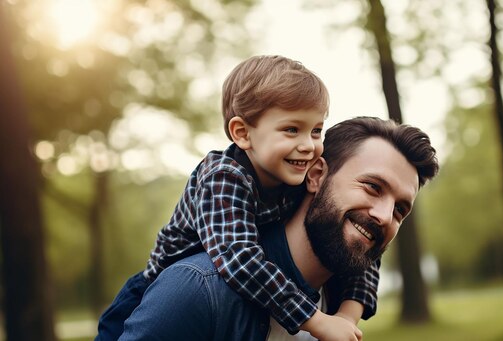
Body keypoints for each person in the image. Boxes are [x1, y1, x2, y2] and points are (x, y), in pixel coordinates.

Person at [97, 56, 379, 340]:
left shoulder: (297, 171)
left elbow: (358, 243)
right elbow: (238, 259)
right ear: (242, 134)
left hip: (230, 299)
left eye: (316, 130)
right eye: (292, 130)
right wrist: (315, 319)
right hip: (162, 293)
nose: (308, 145)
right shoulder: (223, 177)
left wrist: (346, 316)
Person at [119, 116, 439, 340]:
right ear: (315, 175)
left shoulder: (341, 298)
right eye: (372, 186)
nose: (385, 216)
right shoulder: (196, 290)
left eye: (400, 209)